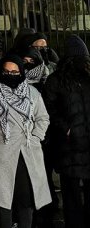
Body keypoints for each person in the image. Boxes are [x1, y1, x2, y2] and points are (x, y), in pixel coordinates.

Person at [0, 55, 51, 228]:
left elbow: (43, 118)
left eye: (15, 72)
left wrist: (35, 137)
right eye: (6, 71)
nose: (10, 75)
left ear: (21, 72)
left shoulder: (32, 92)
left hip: (27, 151)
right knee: (2, 202)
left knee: (26, 200)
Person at [44, 35, 90, 228]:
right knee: (70, 192)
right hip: (68, 145)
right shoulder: (56, 80)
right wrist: (66, 129)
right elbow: (49, 109)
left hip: (82, 143)